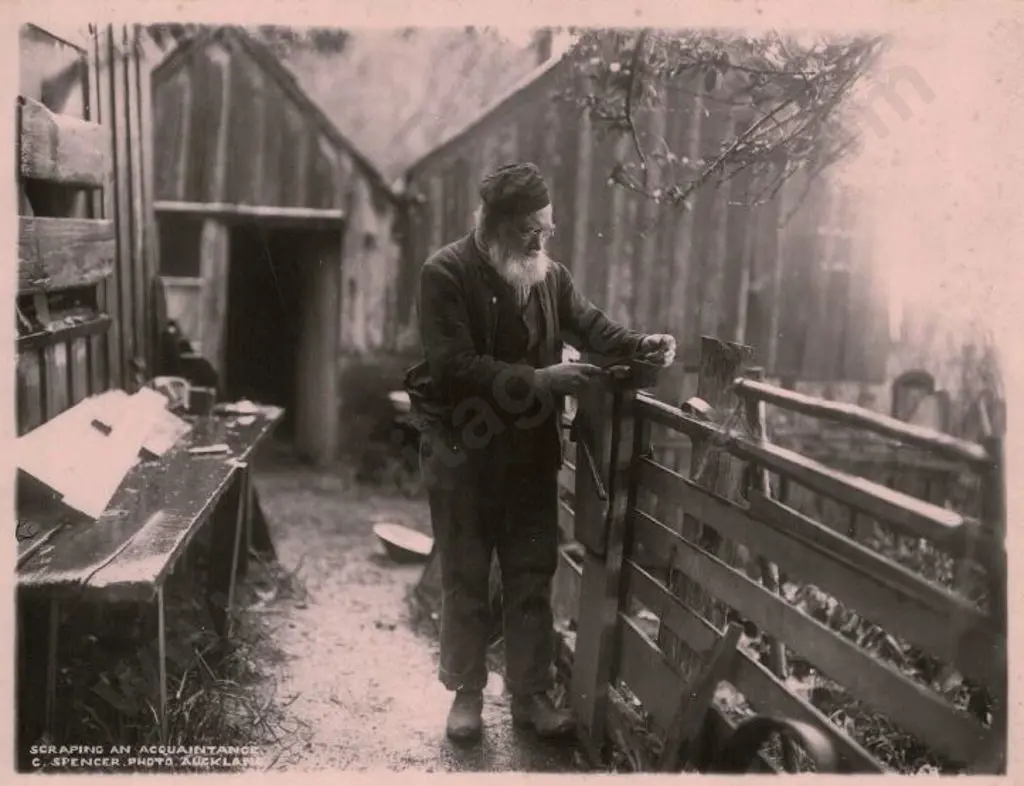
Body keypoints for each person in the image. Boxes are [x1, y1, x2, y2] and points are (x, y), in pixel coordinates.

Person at [405, 162, 676, 743]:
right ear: (494, 222)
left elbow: (592, 328)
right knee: (467, 574)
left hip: (528, 453)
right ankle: (467, 695)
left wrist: (641, 344)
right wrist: (543, 380)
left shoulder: (550, 277)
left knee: (532, 574)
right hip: (462, 448)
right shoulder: (445, 273)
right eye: (530, 230)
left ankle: (528, 698)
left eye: (546, 230)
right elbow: (454, 368)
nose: (539, 241)